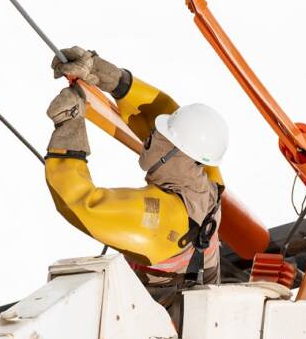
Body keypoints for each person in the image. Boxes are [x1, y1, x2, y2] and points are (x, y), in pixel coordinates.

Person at [44, 46, 229, 320]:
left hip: (161, 329)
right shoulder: (206, 178)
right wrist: (109, 77)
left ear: (173, 152)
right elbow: (163, 111)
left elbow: (80, 203)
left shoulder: (166, 217)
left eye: (158, 134)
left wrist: (68, 130)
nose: (150, 136)